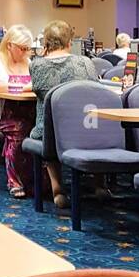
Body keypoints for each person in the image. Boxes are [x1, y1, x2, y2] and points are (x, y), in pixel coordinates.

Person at [29, 20, 97, 209]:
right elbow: (95, 90)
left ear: (46, 43)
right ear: (70, 42)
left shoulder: (37, 65)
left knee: (48, 130)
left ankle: (57, 187)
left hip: (49, 131)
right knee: (96, 130)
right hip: (86, 127)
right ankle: (100, 184)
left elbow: (37, 89)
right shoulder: (86, 62)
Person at [0, 25, 35, 199]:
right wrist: (23, 87)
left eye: (28, 49)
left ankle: (36, 180)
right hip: (3, 112)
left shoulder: (27, 62)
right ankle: (14, 180)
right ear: (10, 45)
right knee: (19, 129)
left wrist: (20, 88)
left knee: (40, 129)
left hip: (28, 109)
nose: (26, 52)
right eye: (22, 48)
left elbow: (37, 85)